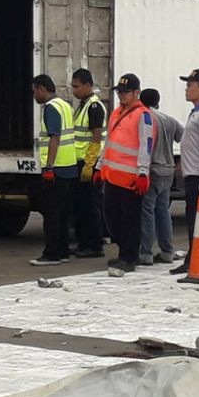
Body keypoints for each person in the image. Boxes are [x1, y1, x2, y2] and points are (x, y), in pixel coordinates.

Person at [94, 73, 154, 272]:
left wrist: (143, 173)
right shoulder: (116, 113)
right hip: (112, 176)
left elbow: (146, 146)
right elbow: (108, 142)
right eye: (119, 91)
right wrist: (99, 166)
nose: (121, 95)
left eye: (126, 92)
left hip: (131, 179)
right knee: (111, 217)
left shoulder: (143, 115)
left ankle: (129, 257)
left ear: (137, 93)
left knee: (130, 220)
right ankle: (124, 251)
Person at [170, 69, 199, 275]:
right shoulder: (196, 112)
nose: (187, 89)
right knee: (193, 219)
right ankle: (193, 257)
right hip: (192, 174)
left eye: (190, 85)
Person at [30, 74, 77, 266]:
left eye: (34, 91)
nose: (34, 95)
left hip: (56, 168)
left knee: (51, 213)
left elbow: (54, 137)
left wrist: (48, 167)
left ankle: (52, 254)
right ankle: (63, 251)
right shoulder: (65, 105)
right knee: (63, 213)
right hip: (69, 167)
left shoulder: (50, 108)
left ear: (42, 89)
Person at [138, 89, 183, 265]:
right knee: (163, 212)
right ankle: (167, 251)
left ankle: (146, 253)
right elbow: (184, 138)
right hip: (168, 171)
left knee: (147, 211)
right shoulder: (169, 119)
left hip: (153, 170)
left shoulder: (146, 118)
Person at [70, 68, 106, 258]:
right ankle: (84, 243)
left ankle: (94, 245)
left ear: (87, 85)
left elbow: (96, 136)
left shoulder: (94, 106)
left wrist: (90, 163)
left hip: (87, 163)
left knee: (90, 207)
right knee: (80, 206)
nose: (73, 90)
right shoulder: (83, 105)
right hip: (79, 162)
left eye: (76, 86)